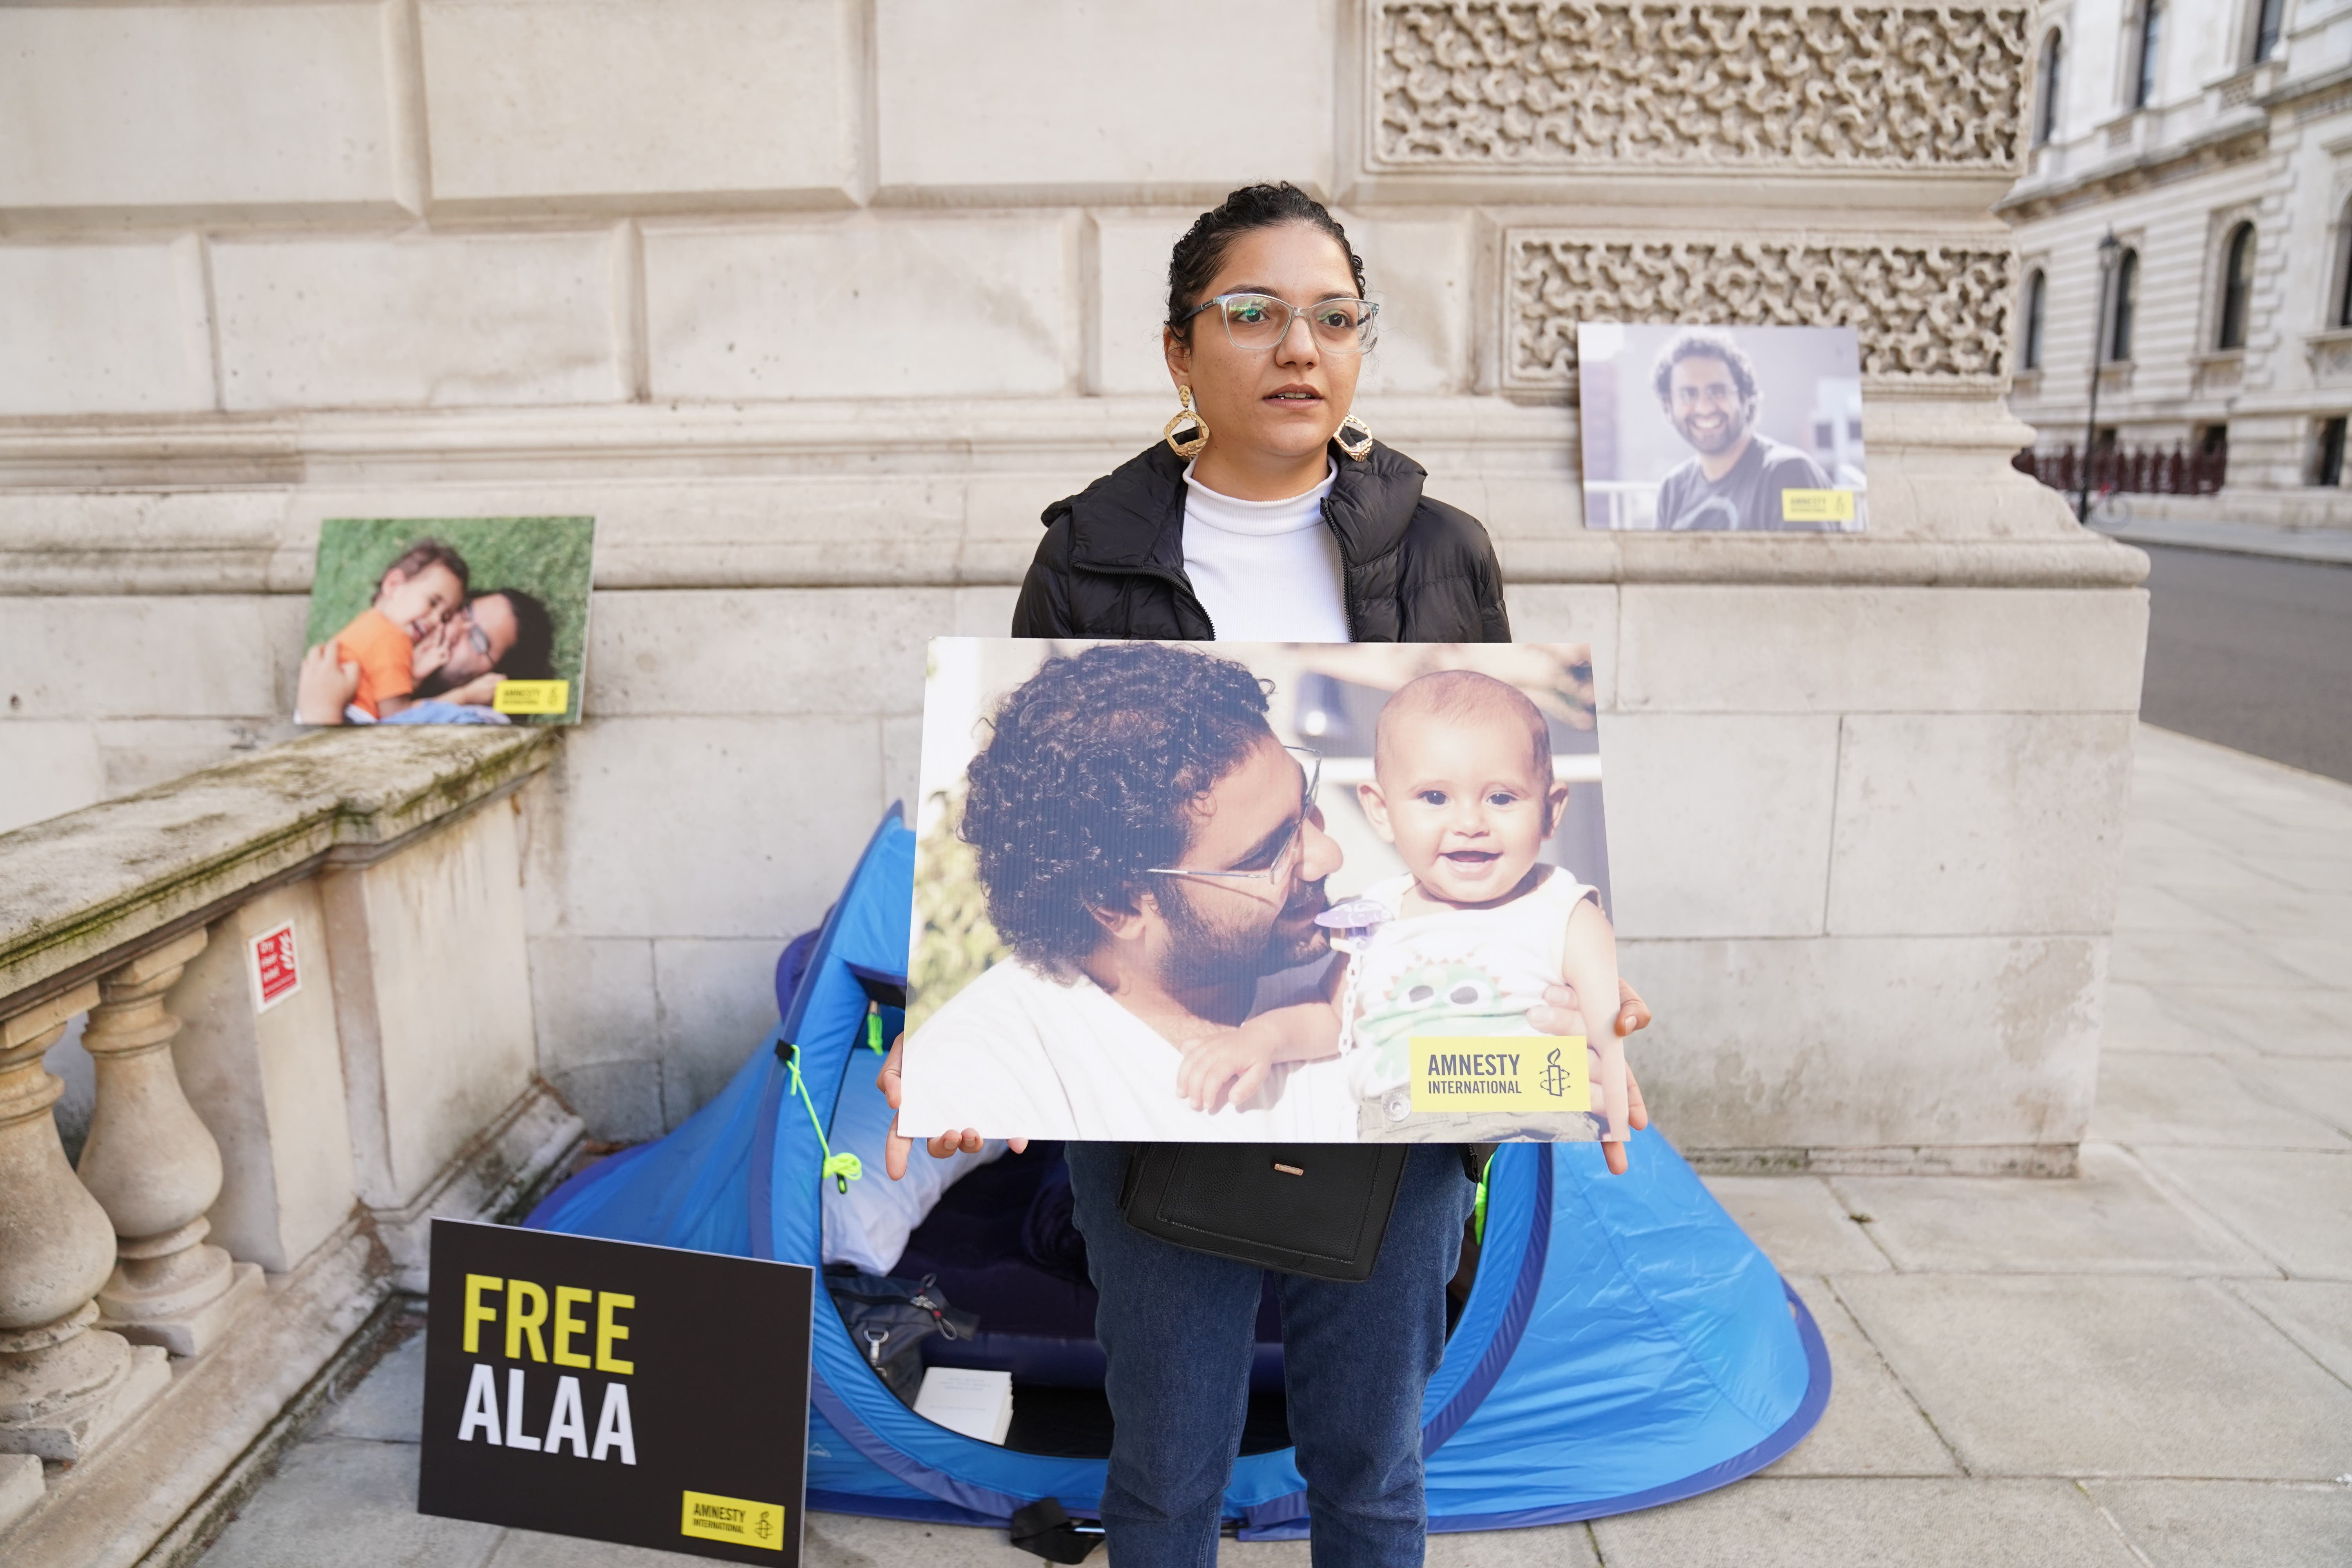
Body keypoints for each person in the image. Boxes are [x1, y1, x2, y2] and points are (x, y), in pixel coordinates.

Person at [879, 182, 1653, 1567]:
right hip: (1152, 1135)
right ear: (1181, 352)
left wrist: (1578, 1007)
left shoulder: (1443, 551)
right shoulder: (1088, 558)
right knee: (1164, 1480)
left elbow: (1508, 824)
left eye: (1334, 317)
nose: (1301, 346)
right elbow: (1036, 818)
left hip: (1399, 1123)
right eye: (1254, 314)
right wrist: (959, 1058)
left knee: (1373, 1469)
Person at [895, 642, 1357, 1141]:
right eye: (1266, 854)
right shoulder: (991, 1073)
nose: (1329, 855)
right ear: (1119, 905)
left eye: (1306, 804)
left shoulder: (1375, 961)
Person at [1174, 669, 1631, 1152]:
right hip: (1399, 1134)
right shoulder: (1377, 917)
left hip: (1535, 1128)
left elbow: (1611, 1029)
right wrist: (1262, 1039)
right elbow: (1336, 1018)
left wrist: (1621, 1128)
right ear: (1381, 810)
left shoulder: (1564, 909)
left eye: (1501, 797)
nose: (1470, 823)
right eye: (1435, 797)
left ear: (1551, 811)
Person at [1650, 327, 1835, 532]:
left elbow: (1820, 562)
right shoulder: (1672, 490)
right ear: (1669, 407)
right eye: (1688, 395)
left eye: (1718, 391)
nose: (1705, 407)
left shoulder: (1793, 473)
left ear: (1745, 398)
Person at [296, 587, 556, 725]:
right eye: (464, 613)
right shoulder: (383, 658)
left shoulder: (469, 722)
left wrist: (321, 714)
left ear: (495, 680)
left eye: (478, 640)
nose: (453, 630)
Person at [327, 539, 468, 719]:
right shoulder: (391, 638)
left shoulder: (368, 625)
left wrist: (415, 678)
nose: (436, 621)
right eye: (433, 602)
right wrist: (465, 696)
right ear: (394, 585)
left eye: (445, 617)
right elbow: (399, 717)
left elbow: (380, 694)